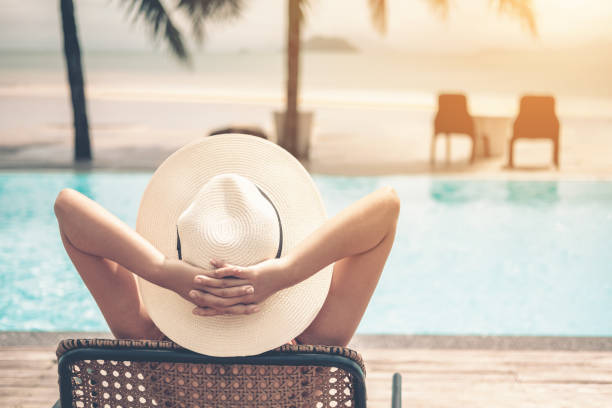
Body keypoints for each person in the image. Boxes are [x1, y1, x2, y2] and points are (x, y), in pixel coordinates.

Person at [53, 135, 399, 354]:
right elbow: (387, 207)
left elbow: (68, 208)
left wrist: (161, 271)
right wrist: (286, 271)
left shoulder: (146, 336)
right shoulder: (315, 344)